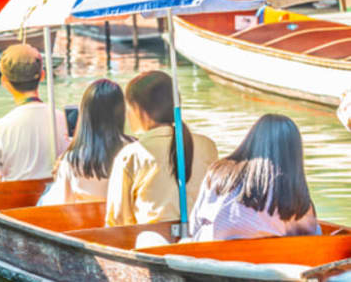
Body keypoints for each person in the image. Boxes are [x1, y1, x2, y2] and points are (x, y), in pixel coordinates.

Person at [105, 70, 218, 227]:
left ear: (138, 110)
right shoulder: (207, 146)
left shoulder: (131, 155)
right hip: (200, 238)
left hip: (152, 241)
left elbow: (118, 220)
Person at [189, 114, 319, 241]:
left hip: (208, 255)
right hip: (264, 258)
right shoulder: (289, 190)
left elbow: (194, 225)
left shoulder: (218, 172)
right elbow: (313, 237)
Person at [0, 44, 68, 184]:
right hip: (54, 195)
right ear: (42, 76)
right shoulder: (64, 121)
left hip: (12, 200)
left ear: (4, 82)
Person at [38, 79, 132, 205]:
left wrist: (59, 175)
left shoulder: (72, 159)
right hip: (124, 220)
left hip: (87, 222)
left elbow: (60, 204)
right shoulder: (134, 149)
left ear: (84, 114)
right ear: (121, 112)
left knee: (47, 191)